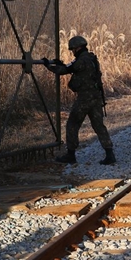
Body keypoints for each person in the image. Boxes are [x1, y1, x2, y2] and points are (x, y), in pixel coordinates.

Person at [42, 35, 116, 165]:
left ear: (78, 48)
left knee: (72, 124)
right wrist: (63, 65)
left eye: (73, 49)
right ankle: (110, 154)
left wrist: (49, 66)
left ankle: (70, 155)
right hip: (96, 97)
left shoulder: (81, 60)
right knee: (99, 126)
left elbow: (65, 70)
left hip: (85, 99)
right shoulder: (92, 58)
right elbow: (73, 68)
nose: (72, 52)